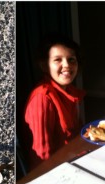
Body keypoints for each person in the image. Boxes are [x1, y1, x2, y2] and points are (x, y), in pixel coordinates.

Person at [23, 33, 85, 169]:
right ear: (45, 65)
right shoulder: (43, 98)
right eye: (58, 60)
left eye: (71, 60)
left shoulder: (70, 92)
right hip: (56, 172)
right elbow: (42, 156)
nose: (66, 65)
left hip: (76, 160)